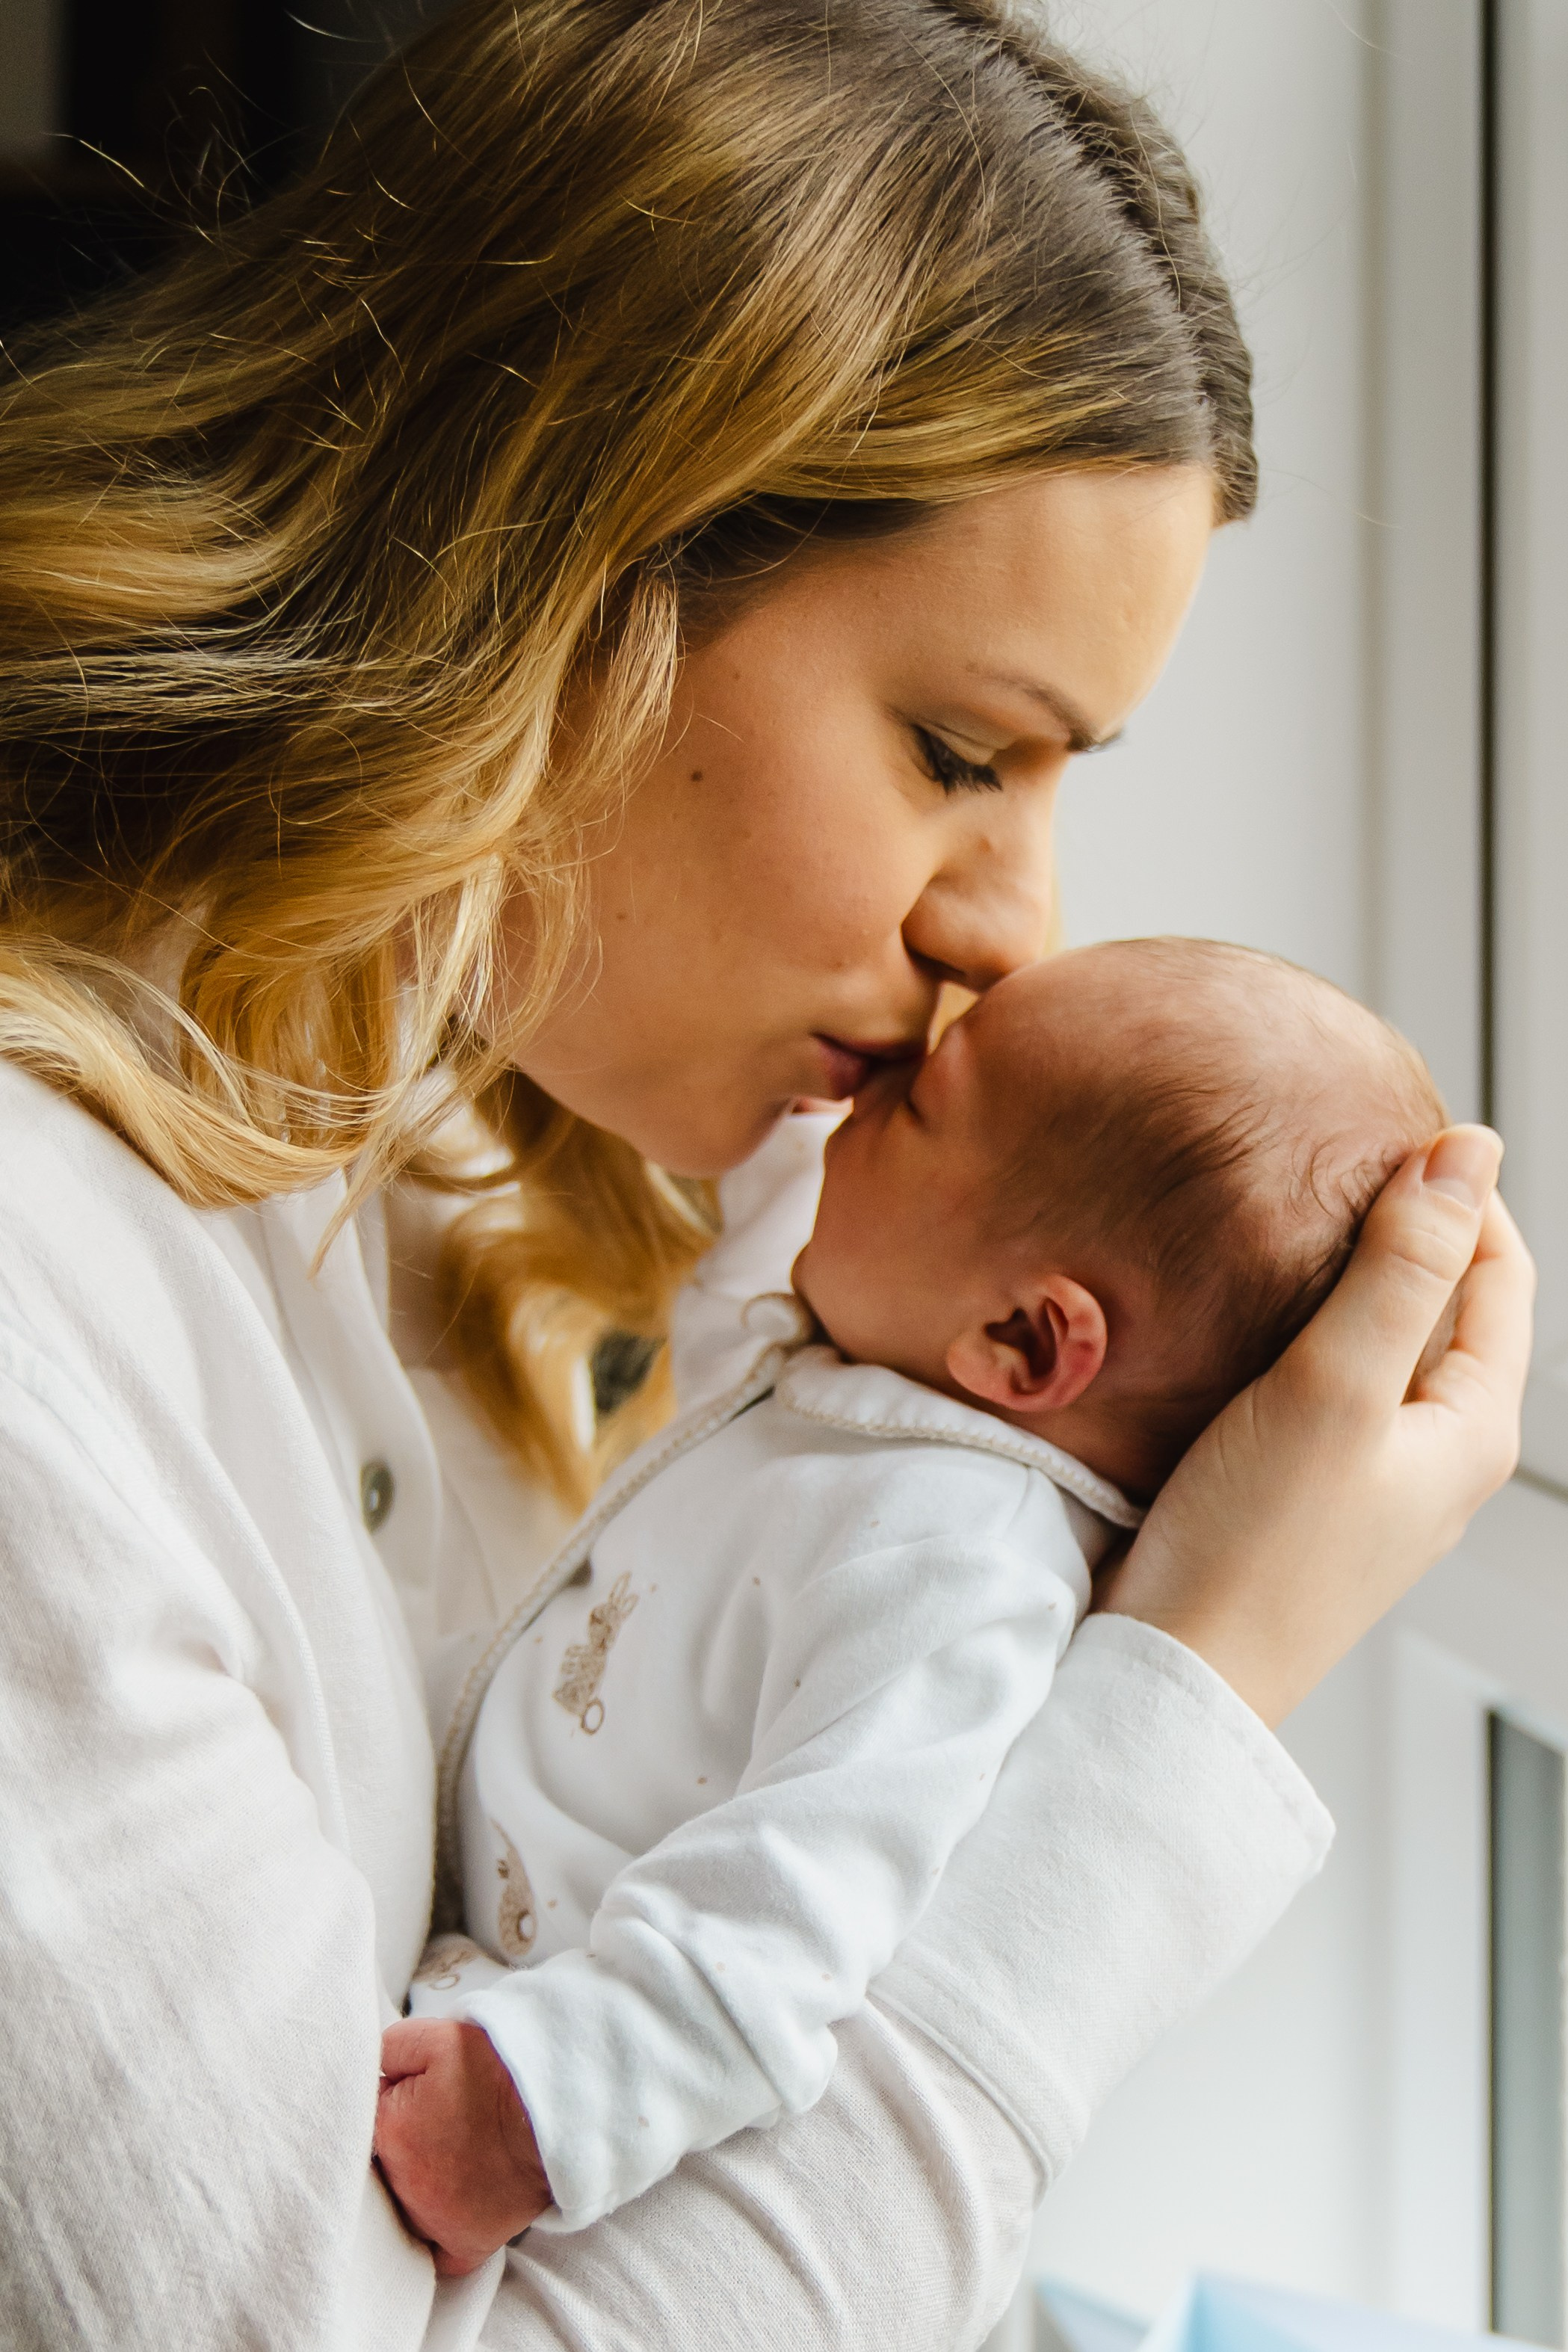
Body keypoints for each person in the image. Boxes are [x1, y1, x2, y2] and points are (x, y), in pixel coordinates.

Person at [0, 1, 1531, 2345]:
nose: (1012, 926)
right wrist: (1185, 1688)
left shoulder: (438, 1161)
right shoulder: (46, 1325)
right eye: (959, 751)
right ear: (553, 558)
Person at [371, 940, 1450, 2271]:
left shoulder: (963, 1574)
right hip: (448, 1909)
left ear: (1024, 1340)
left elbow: (789, 1909)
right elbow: (771, 1196)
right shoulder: (876, 1368)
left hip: (533, 2061)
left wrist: (534, 2111)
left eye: (921, 1097)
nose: (865, 1093)